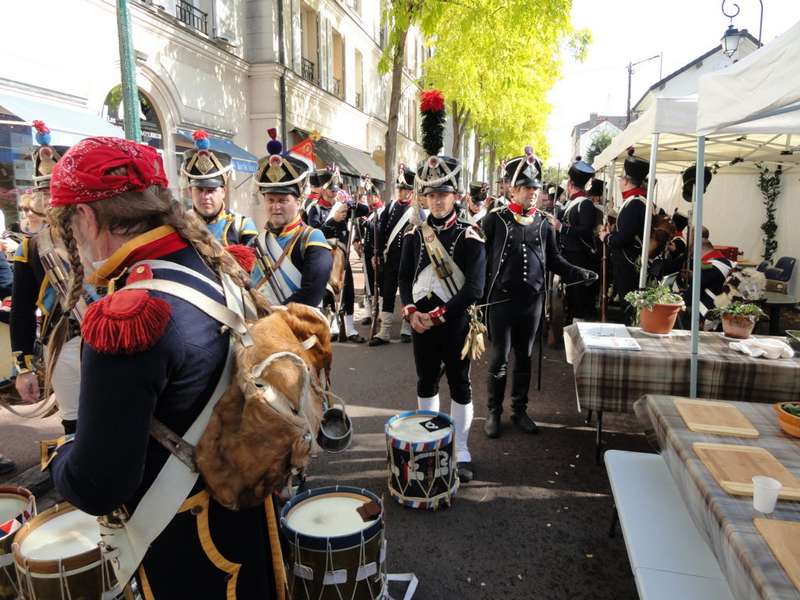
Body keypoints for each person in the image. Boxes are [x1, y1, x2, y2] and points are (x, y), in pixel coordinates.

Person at [46, 136, 282, 598]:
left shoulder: (130, 316)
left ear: (87, 217)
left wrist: (62, 460)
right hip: (247, 510)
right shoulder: (207, 263)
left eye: (69, 225)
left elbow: (98, 485)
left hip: (191, 544)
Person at [483, 150, 597, 439]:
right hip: (501, 302)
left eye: (535, 188)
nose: (532, 193)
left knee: (525, 358)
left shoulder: (545, 223)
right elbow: (480, 260)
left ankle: (519, 410)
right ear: (512, 188)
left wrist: (578, 272)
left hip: (532, 304)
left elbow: (556, 260)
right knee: (499, 360)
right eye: (525, 188)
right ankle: (494, 411)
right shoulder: (495, 220)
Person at [399, 153, 486, 483]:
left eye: (443, 194)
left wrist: (438, 315)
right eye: (432, 195)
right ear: (425, 197)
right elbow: (405, 278)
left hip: (455, 323)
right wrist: (410, 311)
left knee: (459, 384)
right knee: (425, 380)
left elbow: (474, 288)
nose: (437, 201)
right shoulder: (414, 234)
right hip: (421, 323)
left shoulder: (470, 235)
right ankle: (429, 440)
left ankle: (461, 449)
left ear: (456, 197)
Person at [10, 121, 86, 435]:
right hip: (64, 344)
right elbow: (22, 311)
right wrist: (24, 368)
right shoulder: (31, 248)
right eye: (44, 190)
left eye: (56, 190)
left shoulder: (98, 236)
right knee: (74, 428)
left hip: (108, 344)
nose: (51, 198)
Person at [250, 130, 332, 307]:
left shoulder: (312, 239)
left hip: (297, 329)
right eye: (270, 200)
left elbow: (311, 295)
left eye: (283, 200)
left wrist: (271, 317)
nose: (275, 206)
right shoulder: (257, 242)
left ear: (299, 201)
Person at [181, 129, 257, 246]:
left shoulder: (242, 226)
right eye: (199, 190)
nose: (205, 196)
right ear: (190, 190)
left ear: (223, 191)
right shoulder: (180, 225)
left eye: (211, 190)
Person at [599, 149, 649, 324]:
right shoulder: (637, 201)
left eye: (621, 179)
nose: (619, 182)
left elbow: (623, 239)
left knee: (629, 309)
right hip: (629, 263)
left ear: (627, 181)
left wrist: (606, 237)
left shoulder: (635, 203)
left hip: (628, 264)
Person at [369, 165, 416, 346]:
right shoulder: (390, 207)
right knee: (387, 293)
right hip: (392, 258)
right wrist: (377, 253)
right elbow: (381, 232)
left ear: (411, 191)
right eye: (400, 188)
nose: (401, 192)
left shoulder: (416, 210)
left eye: (405, 189)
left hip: (410, 259)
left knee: (408, 294)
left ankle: (406, 328)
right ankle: (385, 331)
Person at [548, 157, 598, 321]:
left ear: (570, 184)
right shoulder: (572, 202)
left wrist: (561, 227)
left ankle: (579, 321)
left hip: (579, 255)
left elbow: (585, 230)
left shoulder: (585, 204)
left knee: (578, 293)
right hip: (568, 253)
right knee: (570, 291)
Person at [681, 226, 734, 322]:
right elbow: (707, 280)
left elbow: (688, 298)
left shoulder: (707, 266)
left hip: (706, 315)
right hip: (720, 307)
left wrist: (676, 297)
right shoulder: (720, 260)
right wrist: (694, 276)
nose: (693, 256)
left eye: (693, 252)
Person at [360, 186, 384, 326]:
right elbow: (359, 228)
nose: (369, 198)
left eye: (372, 195)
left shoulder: (382, 211)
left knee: (379, 282)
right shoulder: (366, 212)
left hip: (377, 252)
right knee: (367, 283)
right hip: (366, 251)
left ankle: (379, 312)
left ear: (378, 196)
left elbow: (381, 231)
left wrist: (378, 253)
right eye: (368, 196)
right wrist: (357, 240)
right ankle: (369, 313)